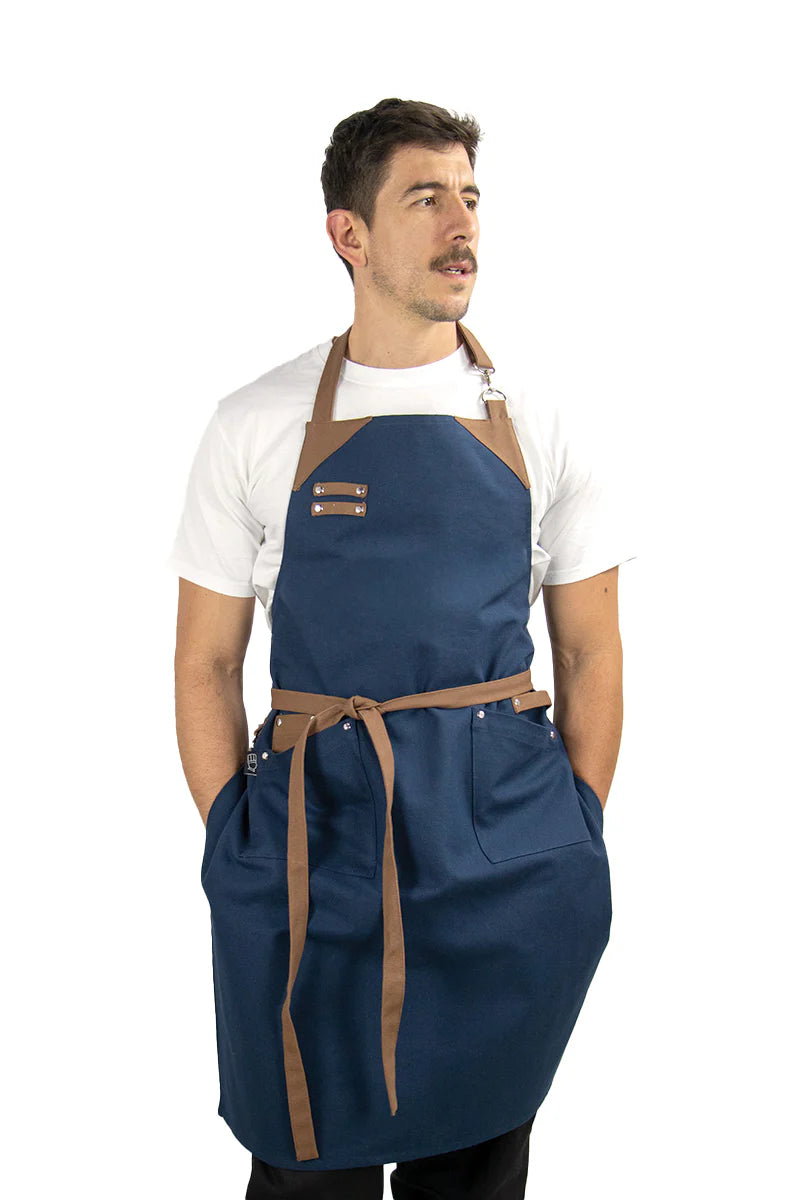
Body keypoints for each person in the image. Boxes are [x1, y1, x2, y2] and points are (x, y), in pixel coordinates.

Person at [168, 97, 635, 1199]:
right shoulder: (255, 423)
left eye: (469, 197)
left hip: (500, 855)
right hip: (313, 850)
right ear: (350, 234)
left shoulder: (544, 421)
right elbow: (204, 663)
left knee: (472, 1168)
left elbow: (591, 654)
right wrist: (237, 841)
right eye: (425, 199)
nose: (460, 225)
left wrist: (572, 829)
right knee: (303, 1166)